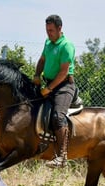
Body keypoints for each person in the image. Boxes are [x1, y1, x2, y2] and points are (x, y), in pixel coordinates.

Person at [33, 14, 76, 168]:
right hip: (49, 84)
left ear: (59, 29)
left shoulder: (66, 46)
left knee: (58, 116)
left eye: (51, 30)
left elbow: (64, 72)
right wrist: (37, 75)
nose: (48, 33)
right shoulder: (48, 42)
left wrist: (49, 89)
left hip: (64, 86)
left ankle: (62, 156)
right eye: (47, 30)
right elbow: (42, 60)